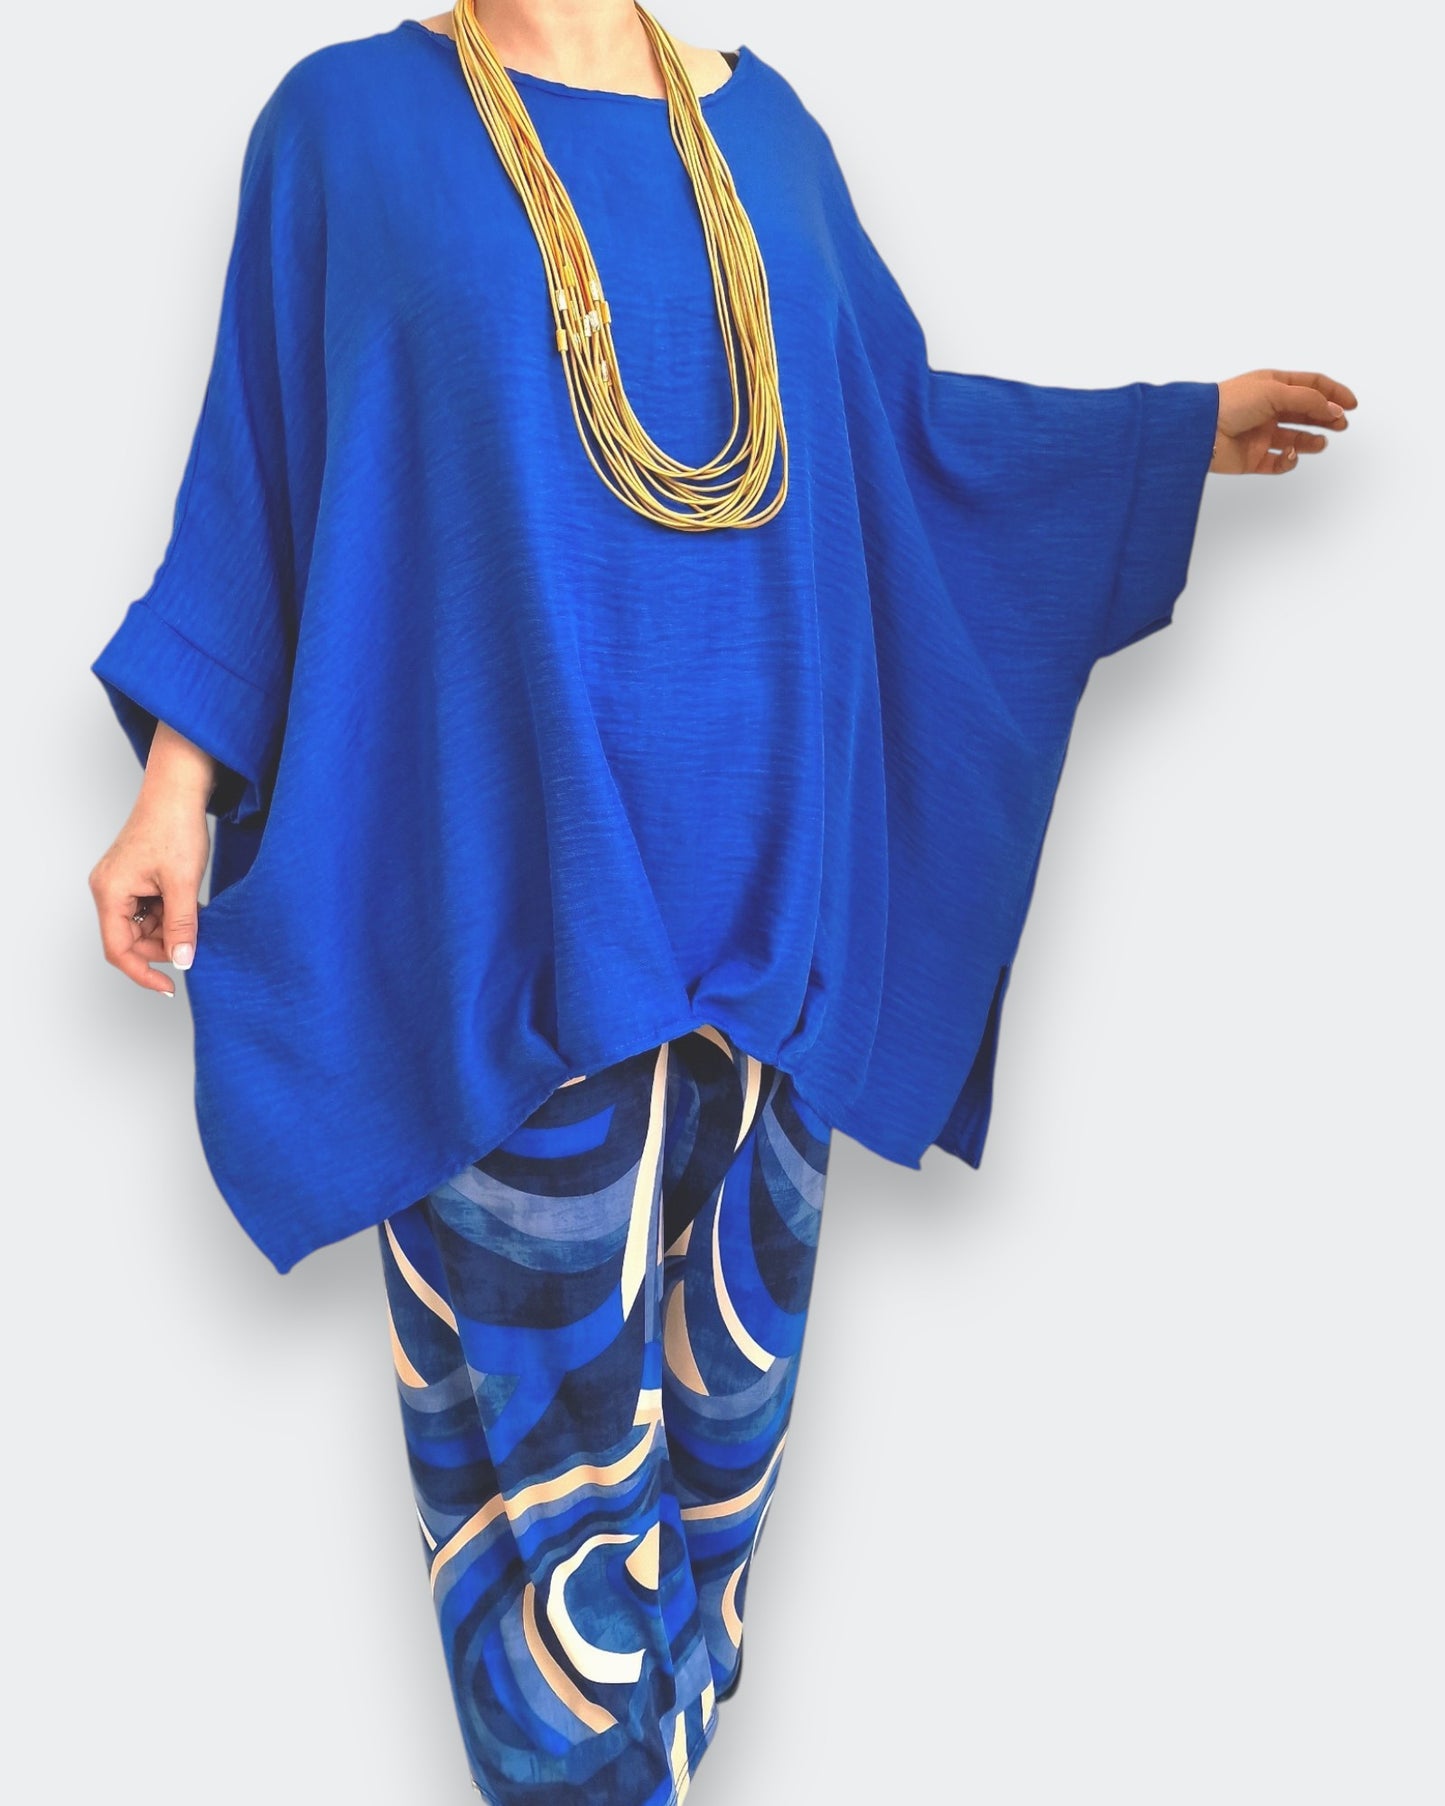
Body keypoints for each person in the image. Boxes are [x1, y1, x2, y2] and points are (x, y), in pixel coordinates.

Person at [86, 3, 1356, 1800]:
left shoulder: (767, 139)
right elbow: (268, 475)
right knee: (556, 1569)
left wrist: (1164, 440)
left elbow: (901, 441)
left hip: (773, 928)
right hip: (510, 931)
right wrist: (173, 788)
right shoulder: (344, 130)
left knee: (710, 1527)